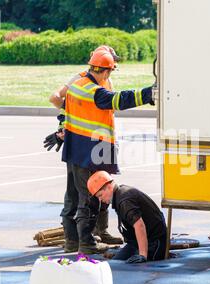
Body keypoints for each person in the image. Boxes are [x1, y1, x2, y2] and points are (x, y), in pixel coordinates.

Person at [57, 47, 154, 254]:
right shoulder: (93, 91)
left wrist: (59, 130)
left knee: (73, 196)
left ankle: (73, 241)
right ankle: (87, 243)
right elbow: (118, 100)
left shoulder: (77, 85)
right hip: (90, 151)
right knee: (90, 197)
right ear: (106, 71)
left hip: (76, 149)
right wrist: (148, 94)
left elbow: (64, 109)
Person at [44, 46, 123, 253]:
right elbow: (58, 99)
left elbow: (108, 107)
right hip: (87, 144)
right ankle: (81, 240)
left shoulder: (104, 81)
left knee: (102, 187)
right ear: (104, 66)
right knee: (83, 193)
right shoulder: (80, 81)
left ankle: (98, 232)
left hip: (99, 143)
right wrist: (66, 127)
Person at [87, 171, 167, 263]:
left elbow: (139, 225)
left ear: (109, 187)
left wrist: (143, 255)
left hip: (154, 242)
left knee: (127, 267)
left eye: (100, 195)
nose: (100, 199)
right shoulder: (119, 194)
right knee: (115, 263)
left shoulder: (124, 200)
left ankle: (143, 253)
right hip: (137, 242)